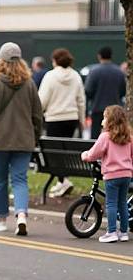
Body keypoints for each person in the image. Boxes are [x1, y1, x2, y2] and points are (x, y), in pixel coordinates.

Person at [0, 42, 43, 237]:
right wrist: (36, 135)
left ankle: (2, 218)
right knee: (20, 179)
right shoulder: (30, 84)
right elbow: (37, 114)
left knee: (0, 180)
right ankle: (21, 215)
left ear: (1, 61)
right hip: (24, 139)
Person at [38, 48, 86, 197]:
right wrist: (82, 119)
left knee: (54, 154)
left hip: (54, 118)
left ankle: (63, 181)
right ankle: (62, 181)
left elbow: (42, 100)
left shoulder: (50, 76)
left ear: (55, 61)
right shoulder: (76, 76)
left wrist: (39, 114)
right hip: (71, 118)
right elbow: (81, 100)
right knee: (65, 152)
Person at [81, 105, 132, 243]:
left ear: (110, 121)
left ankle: (111, 232)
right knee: (122, 203)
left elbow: (93, 154)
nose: (102, 120)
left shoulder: (105, 137)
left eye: (104, 117)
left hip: (112, 175)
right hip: (126, 174)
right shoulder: (129, 138)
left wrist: (85, 155)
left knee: (111, 203)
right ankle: (123, 232)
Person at [85, 46, 126, 139]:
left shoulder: (94, 71)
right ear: (111, 56)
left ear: (99, 56)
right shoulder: (119, 72)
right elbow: (123, 91)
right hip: (115, 109)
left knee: (95, 136)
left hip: (97, 108)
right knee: (115, 136)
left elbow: (88, 90)